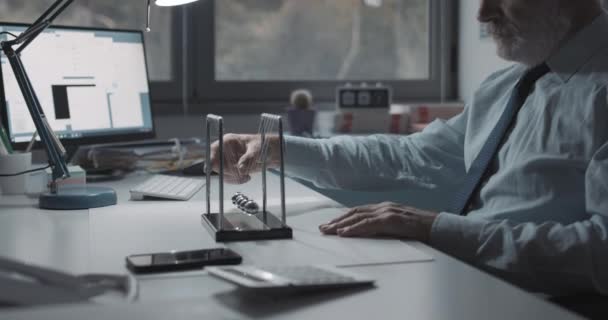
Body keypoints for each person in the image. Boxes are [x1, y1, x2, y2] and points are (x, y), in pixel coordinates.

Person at [210, 0, 608, 296]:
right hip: (471, 284)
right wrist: (277, 148)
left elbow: (601, 253)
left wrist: (434, 228)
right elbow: (413, 156)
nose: (482, 14)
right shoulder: (508, 85)